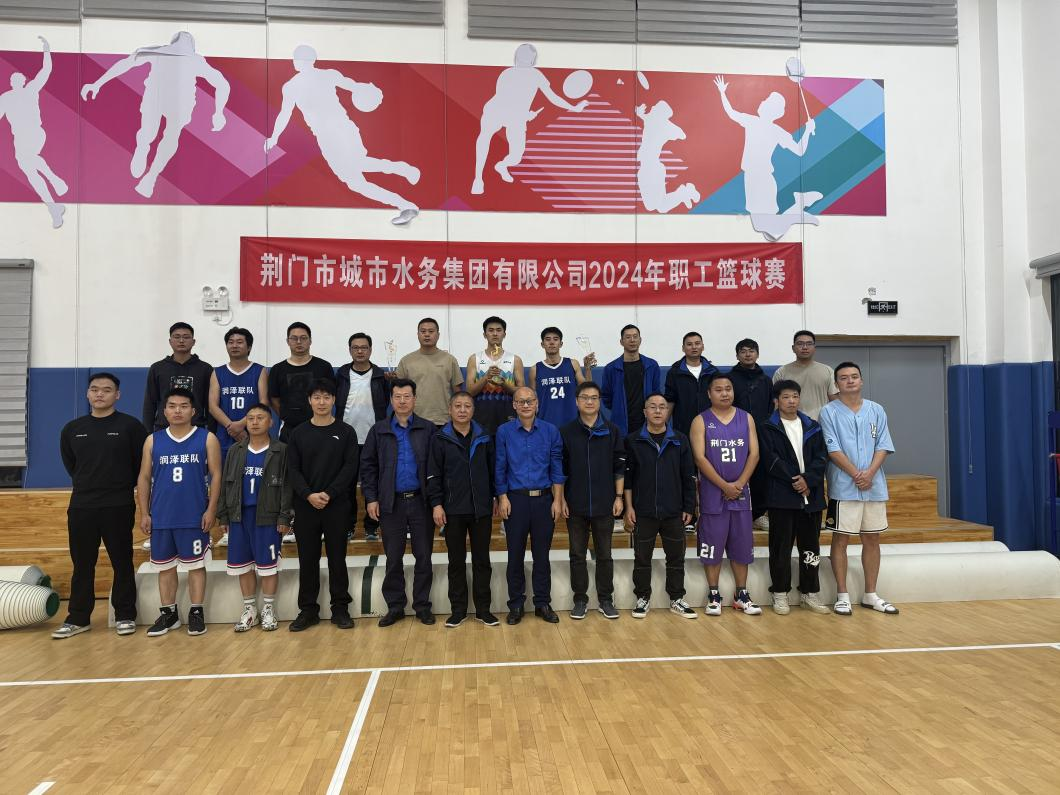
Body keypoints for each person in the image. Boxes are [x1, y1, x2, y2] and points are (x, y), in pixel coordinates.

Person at [265, 45, 420, 225]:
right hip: (342, 130)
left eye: (297, 58)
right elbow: (354, 87)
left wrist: (274, 137)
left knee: (354, 180)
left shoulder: (294, 86)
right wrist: (274, 136)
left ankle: (406, 202)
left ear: (301, 61)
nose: (295, 62)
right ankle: (404, 173)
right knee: (359, 164)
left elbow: (285, 113)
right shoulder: (322, 77)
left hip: (333, 134)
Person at [53, 373, 147, 639]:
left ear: (117, 395)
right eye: (94, 389)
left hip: (118, 504)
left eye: (106, 390)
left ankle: (125, 615)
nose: (99, 394)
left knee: (122, 562)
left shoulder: (131, 427)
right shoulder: (72, 428)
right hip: (82, 506)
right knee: (82, 564)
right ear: (87, 394)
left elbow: (140, 466)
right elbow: (72, 465)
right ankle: (78, 618)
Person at [81, 31, 229, 198]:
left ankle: (149, 171)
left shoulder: (163, 53)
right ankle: (149, 170)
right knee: (163, 136)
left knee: (158, 134)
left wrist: (98, 83)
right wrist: (218, 112)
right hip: (170, 101)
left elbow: (127, 63)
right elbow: (223, 85)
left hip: (166, 99)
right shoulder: (191, 59)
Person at [136, 388, 221, 637]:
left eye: (183, 406)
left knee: (196, 566)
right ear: (164, 411)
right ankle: (169, 614)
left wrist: (211, 509)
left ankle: (196, 612)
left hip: (194, 515)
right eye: (172, 406)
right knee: (165, 567)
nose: (177, 410)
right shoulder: (153, 440)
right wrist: (144, 513)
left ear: (193, 411)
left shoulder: (207, 438)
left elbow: (216, 475)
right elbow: (144, 477)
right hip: (162, 516)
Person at [818, 362, 898, 616]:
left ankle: (870, 594)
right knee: (841, 538)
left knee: (872, 538)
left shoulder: (877, 410)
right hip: (844, 487)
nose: (850, 381)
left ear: (861, 380)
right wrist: (855, 474)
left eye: (854, 376)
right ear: (836, 384)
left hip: (873, 486)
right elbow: (832, 448)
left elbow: (883, 444)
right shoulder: (828, 412)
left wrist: (870, 473)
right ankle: (842, 595)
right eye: (844, 378)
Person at [361, 379, 438, 626]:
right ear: (391, 400)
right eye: (397, 397)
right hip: (390, 503)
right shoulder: (379, 430)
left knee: (423, 556)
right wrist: (371, 498)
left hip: (421, 503)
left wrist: (436, 501)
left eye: (407, 396)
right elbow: (368, 467)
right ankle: (395, 607)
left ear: (415, 399)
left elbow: (437, 467)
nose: (402, 401)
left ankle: (422, 606)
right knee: (393, 558)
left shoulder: (428, 429)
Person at [286, 379, 359, 631]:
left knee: (337, 559)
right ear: (309, 400)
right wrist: (308, 495)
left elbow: (350, 468)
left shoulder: (346, 432)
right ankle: (308, 610)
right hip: (306, 506)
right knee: (308, 560)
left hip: (336, 505)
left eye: (326, 397)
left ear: (334, 400)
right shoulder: (298, 433)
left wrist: (329, 493)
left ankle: (340, 608)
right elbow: (293, 469)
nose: (321, 402)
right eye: (316, 397)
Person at [713, 74, 821, 242]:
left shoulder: (765, 127)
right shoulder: (756, 123)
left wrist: (807, 131)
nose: (762, 102)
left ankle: (799, 206)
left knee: (767, 227)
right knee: (765, 227)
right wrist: (722, 93)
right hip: (754, 178)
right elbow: (731, 113)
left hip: (761, 179)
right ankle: (799, 204)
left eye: (765, 101)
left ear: (770, 108)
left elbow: (799, 151)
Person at [471, 43, 589, 196]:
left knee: (516, 156)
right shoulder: (510, 74)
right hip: (497, 111)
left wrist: (573, 108)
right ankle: (478, 180)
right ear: (532, 61)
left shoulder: (532, 75)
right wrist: (524, 115)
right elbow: (505, 101)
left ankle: (501, 166)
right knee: (485, 137)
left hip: (512, 115)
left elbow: (552, 97)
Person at [690, 372, 761, 617]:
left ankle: (742, 595)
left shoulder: (746, 418)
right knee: (712, 546)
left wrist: (739, 484)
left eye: (728, 389)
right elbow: (700, 458)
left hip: (741, 493)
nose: (724, 393)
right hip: (712, 494)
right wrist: (724, 486)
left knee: (741, 545)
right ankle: (714, 595)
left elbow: (754, 454)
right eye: (718, 389)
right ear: (709, 393)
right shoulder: (700, 420)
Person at [216, 404, 292, 632]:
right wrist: (224, 515)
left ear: (271, 422)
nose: (255, 422)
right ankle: (249, 610)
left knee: (268, 566)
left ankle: (268, 608)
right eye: (250, 418)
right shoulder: (235, 450)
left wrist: (284, 516)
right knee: (243, 566)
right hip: (239, 516)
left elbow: (287, 487)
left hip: (267, 516)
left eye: (260, 418)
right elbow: (225, 484)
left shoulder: (281, 451)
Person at [757, 381, 830, 615]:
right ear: (776, 401)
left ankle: (810, 593)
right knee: (781, 549)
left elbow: (821, 457)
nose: (791, 401)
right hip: (782, 497)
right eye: (786, 397)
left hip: (811, 497)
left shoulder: (812, 426)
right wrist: (796, 481)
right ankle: (780, 593)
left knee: (811, 549)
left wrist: (809, 480)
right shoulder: (767, 427)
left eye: (795, 396)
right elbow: (770, 459)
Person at [427, 392, 498, 627]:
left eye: (467, 406)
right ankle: (458, 610)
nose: (462, 410)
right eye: (458, 406)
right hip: (452, 509)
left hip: (481, 509)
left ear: (473, 410)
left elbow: (493, 470)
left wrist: (495, 497)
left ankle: (483, 610)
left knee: (482, 561)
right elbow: (433, 475)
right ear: (450, 409)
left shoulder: (485, 436)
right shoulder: (439, 438)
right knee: (455, 561)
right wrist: (437, 504)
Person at [624, 393, 698, 619]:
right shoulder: (633, 440)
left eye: (662, 407)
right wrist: (629, 508)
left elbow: (688, 476)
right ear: (645, 411)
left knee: (676, 558)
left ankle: (676, 599)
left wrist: (689, 507)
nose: (657, 411)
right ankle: (642, 598)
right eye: (652, 407)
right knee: (641, 558)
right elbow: (628, 480)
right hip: (643, 511)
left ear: (668, 411)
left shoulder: (680, 439)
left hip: (674, 512)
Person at [496, 386, 565, 624]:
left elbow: (557, 467)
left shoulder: (550, 431)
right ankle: (516, 604)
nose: (526, 405)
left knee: (542, 556)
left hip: (544, 501)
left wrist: (557, 500)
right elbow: (500, 467)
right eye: (521, 401)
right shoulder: (504, 432)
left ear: (537, 404)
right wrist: (502, 497)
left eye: (530, 401)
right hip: (515, 500)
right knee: (514, 555)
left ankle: (542, 603)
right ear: (514, 405)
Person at [560, 382, 625, 619]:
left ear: (599, 401)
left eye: (594, 397)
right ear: (577, 401)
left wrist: (619, 497)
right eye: (585, 397)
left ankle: (606, 599)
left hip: (604, 503)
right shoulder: (566, 432)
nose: (589, 401)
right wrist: (561, 499)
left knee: (604, 554)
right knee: (577, 554)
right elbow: (560, 470)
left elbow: (619, 467)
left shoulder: (612, 430)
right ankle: (580, 600)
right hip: (575, 504)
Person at [0, 36, 67, 228]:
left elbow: (45, 71)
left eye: (18, 78)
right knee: (30, 171)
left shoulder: (30, 90)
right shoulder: (6, 98)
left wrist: (46, 51)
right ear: (11, 82)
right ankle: (53, 207)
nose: (15, 80)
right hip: (21, 138)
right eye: (13, 78)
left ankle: (54, 180)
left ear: (22, 81)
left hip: (35, 134)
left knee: (28, 160)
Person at [335, 332, 389, 541]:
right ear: (350, 350)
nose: (360, 351)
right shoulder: (341, 375)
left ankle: (372, 526)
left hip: (374, 438)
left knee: (373, 484)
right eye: (355, 347)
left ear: (370, 350)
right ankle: (348, 525)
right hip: (346, 439)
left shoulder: (380, 376)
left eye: (364, 347)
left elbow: (386, 404)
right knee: (346, 485)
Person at [728, 337, 774, 530]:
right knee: (736, 471)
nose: (748, 354)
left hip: (762, 434)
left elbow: (771, 407)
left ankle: (759, 515)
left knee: (761, 473)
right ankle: (736, 513)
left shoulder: (766, 380)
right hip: (734, 433)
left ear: (757, 354)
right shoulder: (729, 379)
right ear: (737, 355)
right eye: (743, 351)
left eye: (751, 350)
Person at [208, 326, 268, 463]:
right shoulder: (217, 372)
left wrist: (241, 424)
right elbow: (212, 406)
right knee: (225, 473)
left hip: (253, 431)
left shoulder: (260, 371)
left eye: (240, 342)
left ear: (249, 347)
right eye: (231, 342)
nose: (234, 345)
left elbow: (264, 402)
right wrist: (231, 427)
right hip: (225, 433)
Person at [268, 322, 335, 442]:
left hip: (321, 427)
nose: (299, 342)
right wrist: (288, 416)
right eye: (294, 338)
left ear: (310, 341)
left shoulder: (324, 367)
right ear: (288, 341)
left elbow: (331, 395)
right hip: (289, 429)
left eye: (303, 338)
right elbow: (274, 399)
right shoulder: (277, 369)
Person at [142, 322, 213, 431]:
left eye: (186, 337)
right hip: (163, 428)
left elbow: (210, 405)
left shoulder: (205, 369)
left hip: (196, 429)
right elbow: (150, 403)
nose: (181, 340)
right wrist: (147, 432)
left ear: (193, 342)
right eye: (177, 337)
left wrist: (212, 432)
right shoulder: (157, 368)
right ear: (170, 341)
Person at [395, 317, 464, 427]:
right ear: (417, 334)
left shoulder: (449, 360)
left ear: (438, 335)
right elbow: (398, 392)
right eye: (423, 331)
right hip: (413, 420)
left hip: (443, 420)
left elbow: (457, 393)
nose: (427, 335)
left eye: (431, 331)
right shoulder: (406, 361)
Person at [467, 316, 524, 435]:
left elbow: (521, 392)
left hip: (507, 412)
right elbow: (470, 391)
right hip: (481, 413)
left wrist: (504, 384)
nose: (495, 334)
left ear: (504, 334)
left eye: (498, 330)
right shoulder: (475, 359)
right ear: (485, 334)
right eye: (491, 330)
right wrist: (485, 378)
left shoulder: (515, 359)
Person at [601, 324, 661, 436]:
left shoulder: (652, 365)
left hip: (647, 425)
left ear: (640, 340)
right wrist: (619, 408)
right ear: (621, 342)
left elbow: (656, 393)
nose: (632, 340)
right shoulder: (611, 368)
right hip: (621, 426)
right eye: (628, 337)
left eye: (635, 336)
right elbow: (606, 398)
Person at [531, 326, 595, 427]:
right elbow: (532, 400)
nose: (552, 342)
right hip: (545, 423)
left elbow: (587, 389)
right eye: (548, 339)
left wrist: (587, 369)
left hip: (572, 422)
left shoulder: (572, 363)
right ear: (542, 344)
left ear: (561, 344)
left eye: (555, 339)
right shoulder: (535, 369)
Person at [771, 330, 838, 420]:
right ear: (793, 348)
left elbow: (835, 401)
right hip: (790, 423)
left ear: (814, 348)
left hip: (821, 423)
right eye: (800, 344)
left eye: (809, 344)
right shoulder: (781, 372)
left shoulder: (827, 371)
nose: (805, 347)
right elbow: (776, 403)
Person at [664, 331, 718, 436]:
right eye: (689, 344)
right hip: (683, 428)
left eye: (697, 343)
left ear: (703, 346)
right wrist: (663, 426)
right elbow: (670, 401)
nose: (694, 347)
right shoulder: (674, 372)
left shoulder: (713, 372)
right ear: (683, 348)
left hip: (710, 426)